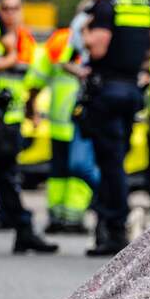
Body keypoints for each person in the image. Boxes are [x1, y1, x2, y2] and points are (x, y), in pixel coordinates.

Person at [83, 0, 150, 256]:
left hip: (108, 91)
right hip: (132, 90)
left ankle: (114, 228)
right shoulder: (144, 4)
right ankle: (110, 222)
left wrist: (88, 33)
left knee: (111, 161)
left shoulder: (105, 7)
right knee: (118, 158)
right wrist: (133, 57)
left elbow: (98, 50)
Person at [0, 0, 57, 252]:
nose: (10, 13)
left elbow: (24, 66)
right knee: (6, 176)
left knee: (7, 175)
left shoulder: (23, 37)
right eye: (5, 8)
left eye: (15, 8)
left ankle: (22, 226)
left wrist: (32, 110)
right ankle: (21, 226)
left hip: (10, 116)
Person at [25, 24, 97, 233]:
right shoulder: (96, 39)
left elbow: (36, 77)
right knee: (74, 170)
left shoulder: (59, 40)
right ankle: (71, 216)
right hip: (81, 120)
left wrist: (31, 105)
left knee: (61, 170)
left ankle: (59, 216)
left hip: (62, 119)